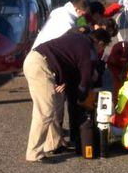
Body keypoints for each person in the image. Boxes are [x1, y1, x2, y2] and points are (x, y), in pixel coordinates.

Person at [23, 29, 111, 162]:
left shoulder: (79, 39)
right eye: (103, 47)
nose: (100, 51)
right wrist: (82, 99)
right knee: (44, 111)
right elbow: (85, 79)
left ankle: (54, 144)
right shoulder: (88, 49)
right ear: (100, 42)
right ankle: (34, 153)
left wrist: (63, 80)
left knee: (55, 104)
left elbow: (67, 59)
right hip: (41, 66)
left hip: (39, 61)